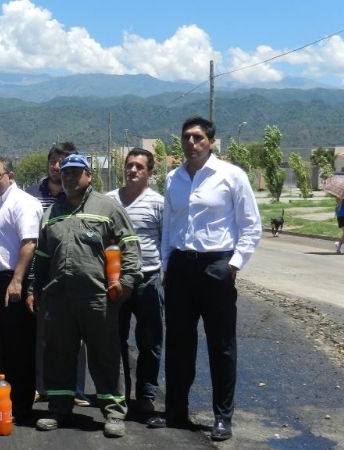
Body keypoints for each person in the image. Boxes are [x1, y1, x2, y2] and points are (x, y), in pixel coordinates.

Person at [148, 116, 261, 442]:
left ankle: (222, 418)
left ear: (210, 141)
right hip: (181, 268)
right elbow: (169, 224)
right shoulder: (173, 178)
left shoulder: (231, 176)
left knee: (221, 347)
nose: (191, 143)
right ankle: (176, 413)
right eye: (186, 137)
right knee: (179, 343)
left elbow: (251, 225)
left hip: (216, 267)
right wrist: (167, 263)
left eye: (198, 137)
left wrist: (233, 265)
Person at [28, 154, 141, 438]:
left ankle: (114, 413)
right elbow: (41, 257)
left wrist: (127, 281)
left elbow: (129, 245)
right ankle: (58, 408)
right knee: (59, 354)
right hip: (59, 298)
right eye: (65, 173)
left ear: (89, 176)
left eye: (76, 173)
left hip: (98, 297)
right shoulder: (51, 213)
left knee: (105, 356)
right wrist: (33, 288)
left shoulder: (108, 208)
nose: (69, 178)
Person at [26, 142, 90, 408]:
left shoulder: (78, 194)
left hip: (75, 270)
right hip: (42, 269)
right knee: (42, 334)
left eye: (63, 162)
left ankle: (76, 389)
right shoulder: (31, 195)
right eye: (54, 160)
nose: (57, 166)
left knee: (78, 334)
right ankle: (41, 386)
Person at [0, 156, 42, 421]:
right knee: (5, 346)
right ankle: (6, 400)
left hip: (12, 280)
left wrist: (17, 280)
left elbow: (29, 243)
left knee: (20, 346)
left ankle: (22, 406)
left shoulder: (23, 203)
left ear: (10, 175)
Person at [107, 148, 164, 413]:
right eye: (129, 165)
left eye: (140, 167)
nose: (133, 170)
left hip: (148, 280)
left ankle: (145, 396)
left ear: (150, 173)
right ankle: (119, 396)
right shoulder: (108, 202)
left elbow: (167, 243)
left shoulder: (158, 203)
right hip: (115, 281)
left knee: (149, 342)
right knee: (114, 340)